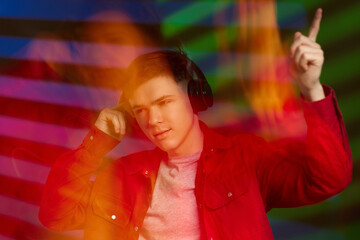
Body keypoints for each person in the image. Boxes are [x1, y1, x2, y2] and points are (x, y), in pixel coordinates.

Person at [39, 9, 352, 240]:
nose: (153, 120)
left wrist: (311, 88)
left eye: (164, 103)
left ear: (194, 98)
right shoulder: (123, 176)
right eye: (141, 110)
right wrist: (98, 141)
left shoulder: (245, 159)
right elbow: (56, 215)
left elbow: (327, 180)